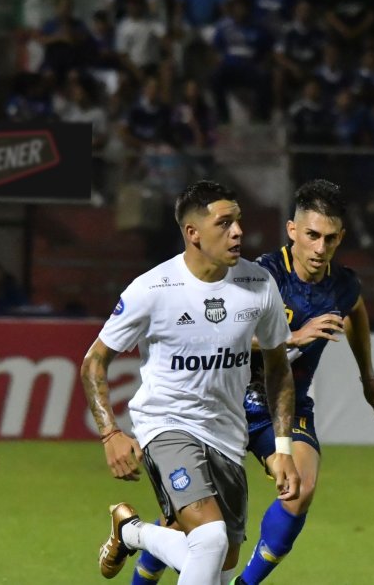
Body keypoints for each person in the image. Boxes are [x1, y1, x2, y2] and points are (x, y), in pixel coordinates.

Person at [129, 179, 374, 585]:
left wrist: (368, 377)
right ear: (293, 231)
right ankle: (142, 558)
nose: (320, 248)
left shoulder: (342, 284)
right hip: (228, 403)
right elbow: (218, 333)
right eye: (311, 236)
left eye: (329, 238)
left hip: (283, 406)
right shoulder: (258, 276)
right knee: (190, 526)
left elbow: (355, 310)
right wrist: (293, 337)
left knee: (300, 488)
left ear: (341, 237)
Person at [81, 180, 301, 585]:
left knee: (216, 568)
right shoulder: (153, 289)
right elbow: (94, 360)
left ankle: (131, 531)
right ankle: (135, 532)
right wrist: (110, 432)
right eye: (224, 223)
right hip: (166, 426)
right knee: (211, 541)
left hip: (227, 437)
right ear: (192, 233)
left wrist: (283, 448)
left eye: (238, 221)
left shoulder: (258, 285)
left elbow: (278, 368)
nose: (237, 232)